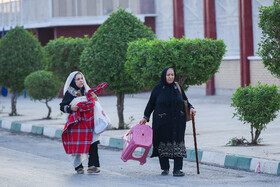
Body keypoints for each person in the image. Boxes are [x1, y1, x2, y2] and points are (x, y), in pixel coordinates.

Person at [139, 67, 196, 177]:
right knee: (162, 143)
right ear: (164, 76)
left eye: (172, 75)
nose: (170, 77)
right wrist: (145, 117)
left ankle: (177, 169)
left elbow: (185, 101)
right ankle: (165, 168)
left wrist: (191, 108)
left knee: (178, 143)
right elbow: (150, 104)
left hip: (178, 122)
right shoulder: (158, 89)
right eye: (168, 75)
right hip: (162, 122)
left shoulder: (177, 87)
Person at [60, 71, 100, 174]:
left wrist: (95, 99)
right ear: (73, 81)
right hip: (76, 124)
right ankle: (78, 166)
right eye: (78, 79)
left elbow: (95, 104)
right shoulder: (71, 92)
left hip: (89, 122)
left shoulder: (88, 91)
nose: (81, 80)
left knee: (93, 140)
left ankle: (92, 166)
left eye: (82, 78)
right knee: (77, 143)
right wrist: (70, 108)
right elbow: (62, 106)